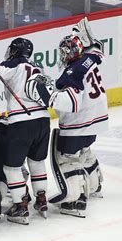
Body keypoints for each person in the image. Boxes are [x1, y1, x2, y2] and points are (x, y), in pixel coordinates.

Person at [25, 18, 107, 218]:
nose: (62, 56)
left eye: (64, 52)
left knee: (66, 158)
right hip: (98, 119)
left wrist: (48, 94)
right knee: (84, 151)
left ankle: (75, 200)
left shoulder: (69, 75)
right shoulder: (91, 58)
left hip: (79, 124)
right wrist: (83, 35)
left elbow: (72, 103)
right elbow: (98, 48)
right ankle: (94, 184)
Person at [0, 36, 50, 224]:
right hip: (44, 120)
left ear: (15, 51)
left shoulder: (16, 64)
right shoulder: (37, 68)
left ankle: (21, 207)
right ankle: (41, 199)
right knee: (36, 162)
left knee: (11, 167)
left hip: (22, 123)